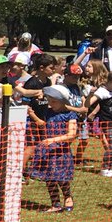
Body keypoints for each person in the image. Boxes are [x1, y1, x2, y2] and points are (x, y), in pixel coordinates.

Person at [29, 85, 78, 213]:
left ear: (63, 101)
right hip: (47, 150)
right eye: (49, 101)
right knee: (49, 177)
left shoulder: (70, 115)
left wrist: (53, 140)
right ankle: (55, 203)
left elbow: (72, 134)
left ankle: (68, 197)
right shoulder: (48, 112)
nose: (50, 104)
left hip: (61, 151)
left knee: (62, 177)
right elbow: (42, 124)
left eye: (54, 101)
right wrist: (32, 115)